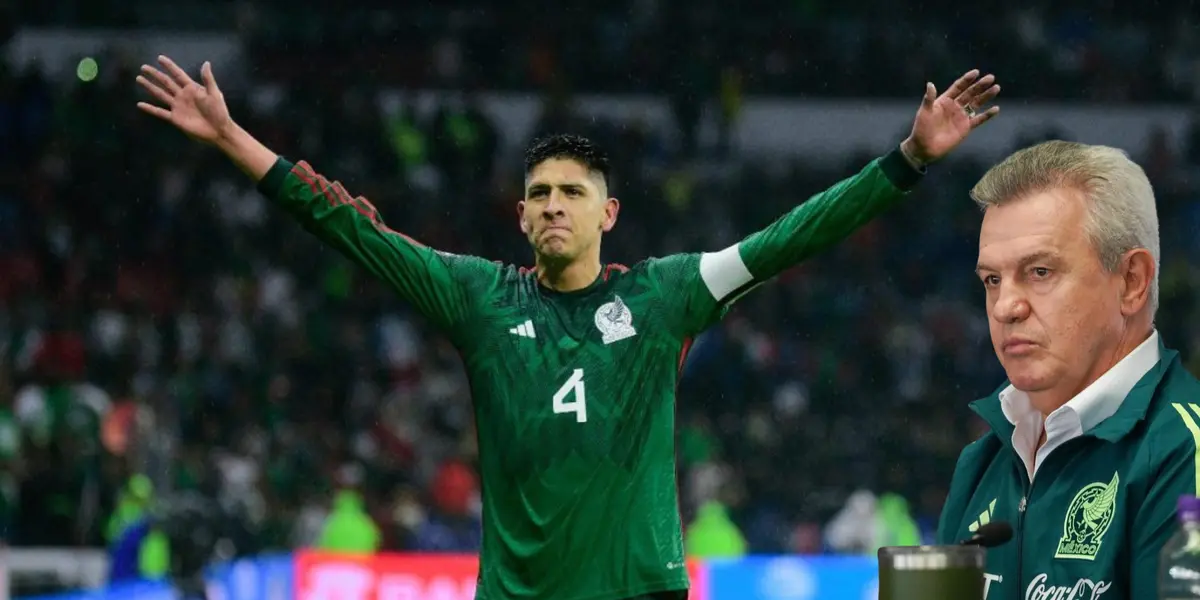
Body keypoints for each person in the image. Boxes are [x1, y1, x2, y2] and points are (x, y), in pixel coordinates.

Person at [135, 55, 999, 600]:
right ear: (519, 216)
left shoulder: (667, 298)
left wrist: (907, 162)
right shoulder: (478, 299)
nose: (554, 206)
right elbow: (349, 229)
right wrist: (236, 142)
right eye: (540, 194)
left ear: (609, 213)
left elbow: (786, 241)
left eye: (572, 193)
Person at [937, 140, 1200, 600]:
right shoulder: (981, 464)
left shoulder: (1184, 453)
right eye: (992, 280)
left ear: (1132, 282)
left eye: (1039, 272)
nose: (1005, 307)